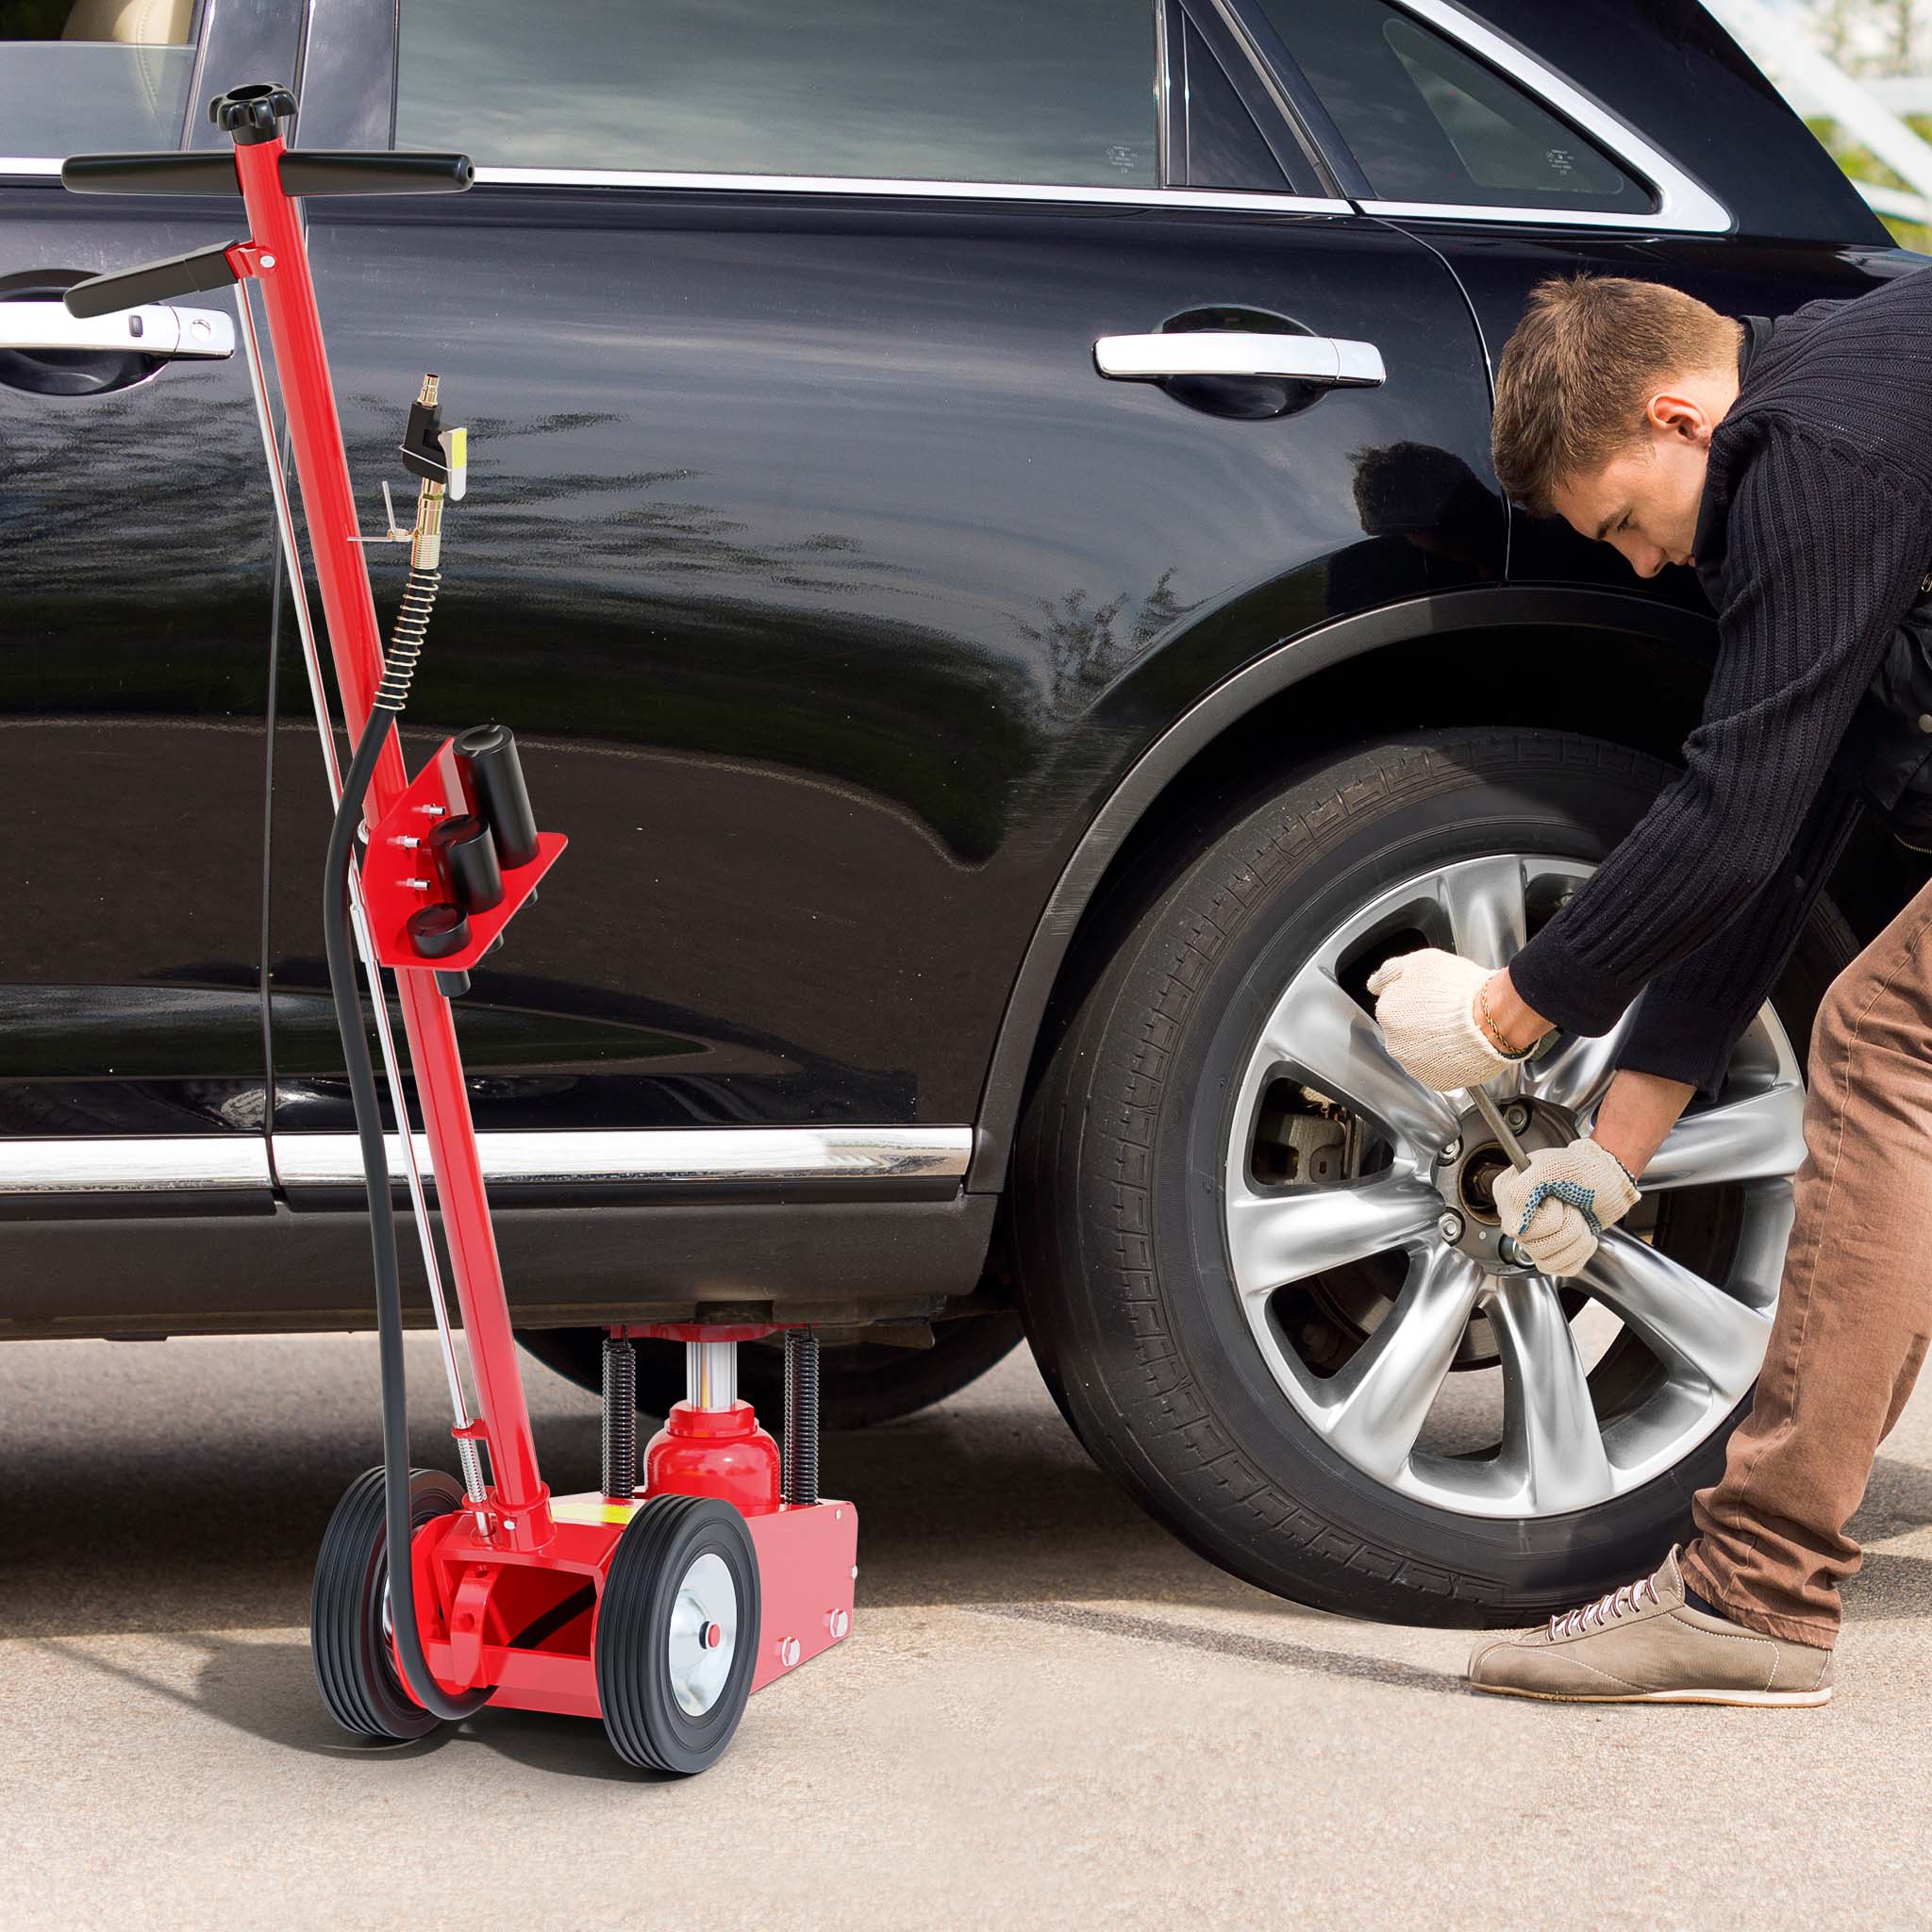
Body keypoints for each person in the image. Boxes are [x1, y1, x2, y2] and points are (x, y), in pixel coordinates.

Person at [1366, 269, 1932, 1706]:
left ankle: (1755, 1591)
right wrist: (1612, 1158)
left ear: (1679, 415)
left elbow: (1737, 809)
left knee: (1886, 1039)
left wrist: (1507, 1011)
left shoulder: (1813, 446)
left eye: (1620, 518)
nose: (1632, 564)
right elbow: (1784, 830)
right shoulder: (1861, 405)